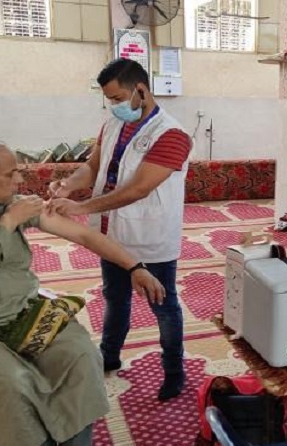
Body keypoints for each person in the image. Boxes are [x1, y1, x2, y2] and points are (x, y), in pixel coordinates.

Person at [0, 137, 166, 446]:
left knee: (82, 357)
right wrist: (10, 221)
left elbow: (82, 235)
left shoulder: (9, 203)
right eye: (11, 173)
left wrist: (135, 266)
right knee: (12, 383)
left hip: (21, 313)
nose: (19, 179)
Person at [47, 58, 192, 400]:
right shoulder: (113, 124)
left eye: (117, 98)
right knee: (115, 298)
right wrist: (69, 185)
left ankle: (174, 371)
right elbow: (93, 166)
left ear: (140, 90)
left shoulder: (172, 135)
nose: (114, 106)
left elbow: (137, 189)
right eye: (109, 100)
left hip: (149, 236)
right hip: (111, 233)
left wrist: (81, 207)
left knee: (163, 305)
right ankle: (109, 355)